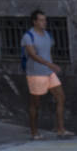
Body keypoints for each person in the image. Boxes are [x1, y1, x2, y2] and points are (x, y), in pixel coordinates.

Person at [21, 9, 72, 139]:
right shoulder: (28, 36)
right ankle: (34, 132)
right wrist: (50, 64)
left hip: (49, 72)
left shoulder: (48, 35)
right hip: (36, 73)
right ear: (35, 22)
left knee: (61, 97)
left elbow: (48, 52)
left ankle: (60, 129)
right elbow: (33, 55)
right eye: (41, 20)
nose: (45, 22)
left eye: (45, 19)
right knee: (35, 104)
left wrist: (51, 65)